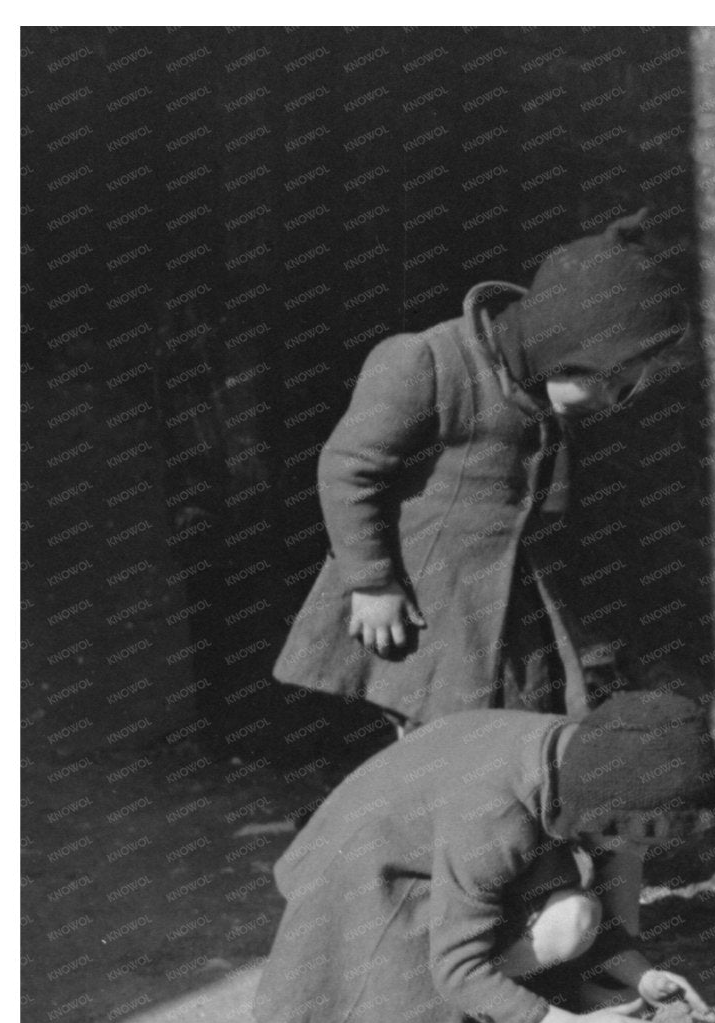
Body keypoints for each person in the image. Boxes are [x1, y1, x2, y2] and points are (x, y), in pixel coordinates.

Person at [273, 210, 687, 733]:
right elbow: (347, 469)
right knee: (437, 745)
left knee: (519, 726)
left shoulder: (538, 392)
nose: (613, 401)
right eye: (607, 381)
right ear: (561, 348)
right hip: (425, 603)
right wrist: (372, 583)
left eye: (628, 387)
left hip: (504, 605)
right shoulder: (427, 364)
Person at [253, 690, 715, 1023]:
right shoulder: (494, 817)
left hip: (443, 850)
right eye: (639, 834)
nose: (641, 853)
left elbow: (597, 866)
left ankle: (528, 992)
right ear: (601, 806)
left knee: (583, 906)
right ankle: (454, 1009)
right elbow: (457, 969)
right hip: (366, 887)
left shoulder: (579, 757)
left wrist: (640, 974)